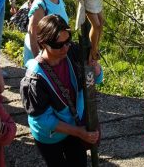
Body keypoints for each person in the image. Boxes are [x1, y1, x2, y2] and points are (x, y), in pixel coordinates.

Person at [20, 14, 103, 167]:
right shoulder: (34, 78)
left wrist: (95, 68)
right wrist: (79, 132)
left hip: (74, 124)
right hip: (49, 135)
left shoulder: (72, 52)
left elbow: (95, 80)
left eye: (67, 42)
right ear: (43, 43)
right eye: (59, 45)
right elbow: (43, 120)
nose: (65, 48)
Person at [22, 0, 68, 65]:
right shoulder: (41, 5)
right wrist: (38, 59)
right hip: (43, 54)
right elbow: (32, 32)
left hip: (56, 51)